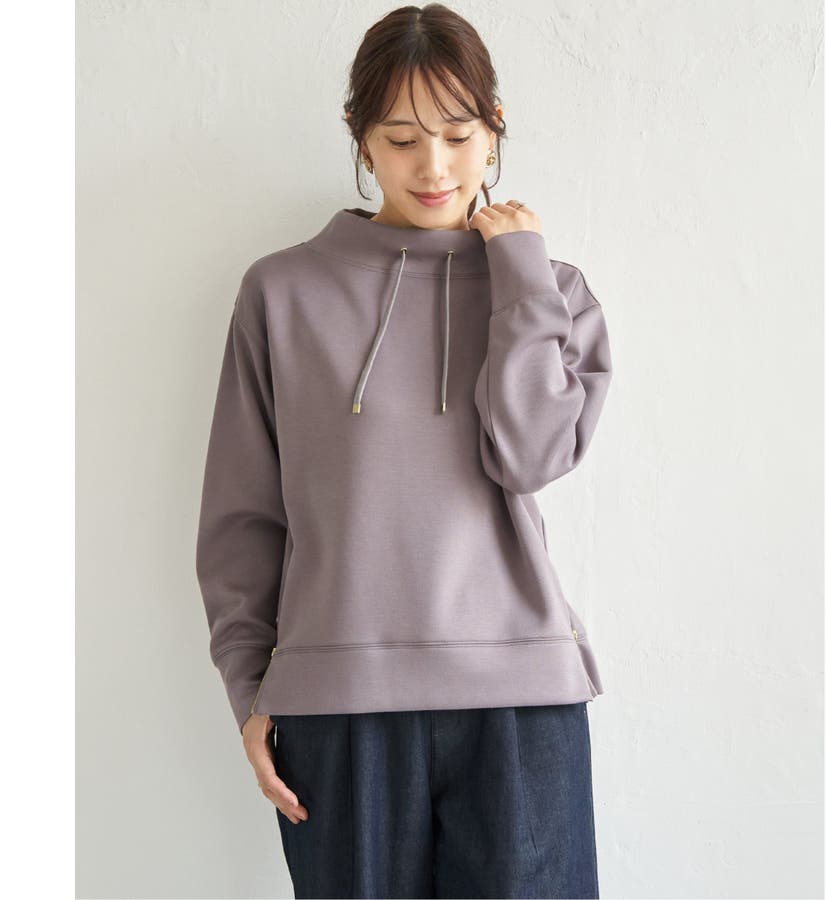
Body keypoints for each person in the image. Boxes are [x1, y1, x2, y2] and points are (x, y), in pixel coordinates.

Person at [195, 4, 613, 897]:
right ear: (360, 138)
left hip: (518, 703)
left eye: (459, 136)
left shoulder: (552, 291)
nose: (433, 167)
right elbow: (241, 518)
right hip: (340, 709)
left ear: (494, 131)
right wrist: (250, 688)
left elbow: (531, 456)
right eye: (400, 139)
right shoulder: (282, 293)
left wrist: (520, 280)